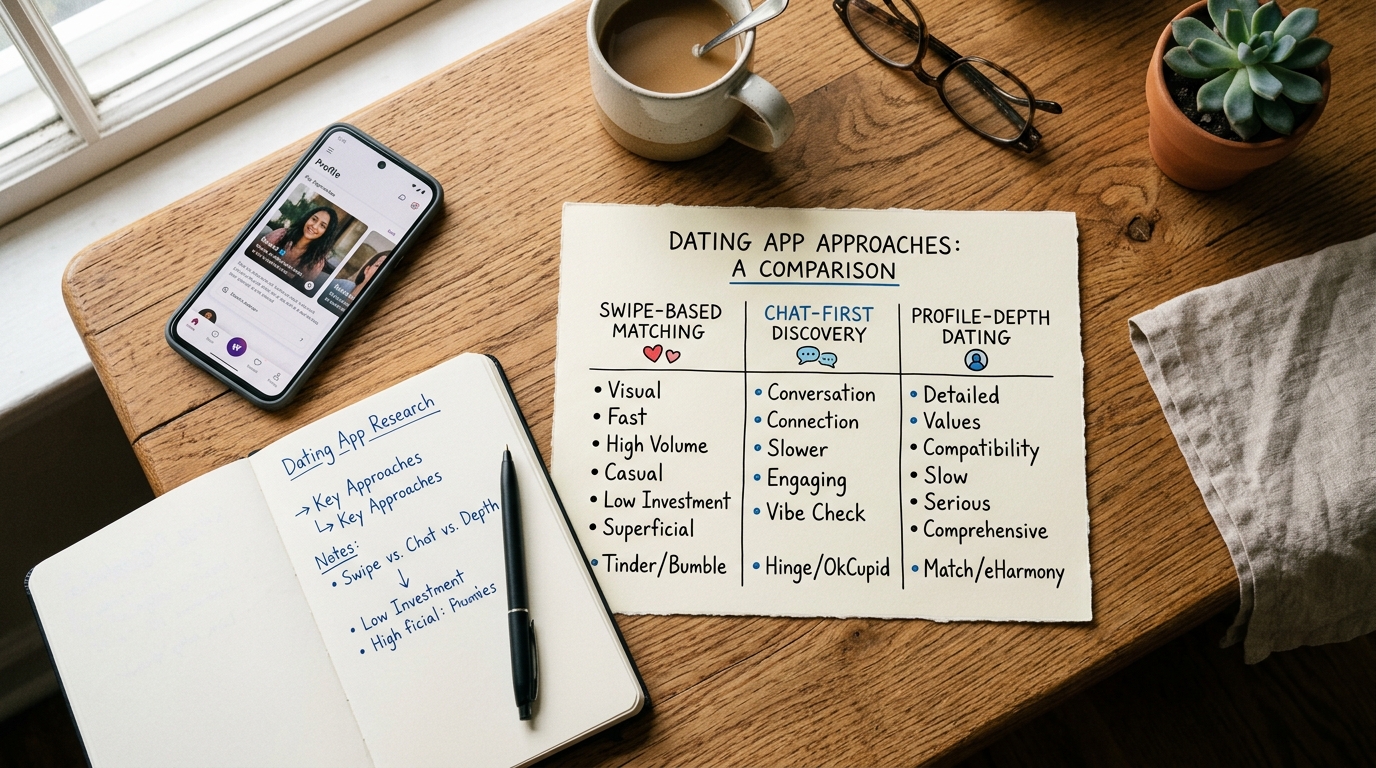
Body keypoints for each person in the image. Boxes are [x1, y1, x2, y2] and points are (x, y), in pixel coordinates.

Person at [261, 206, 339, 286]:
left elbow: (298, 289)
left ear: (326, 232)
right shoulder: (282, 234)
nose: (314, 226)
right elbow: (254, 254)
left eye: (322, 226)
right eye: (314, 219)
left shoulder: (316, 262)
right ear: (307, 218)